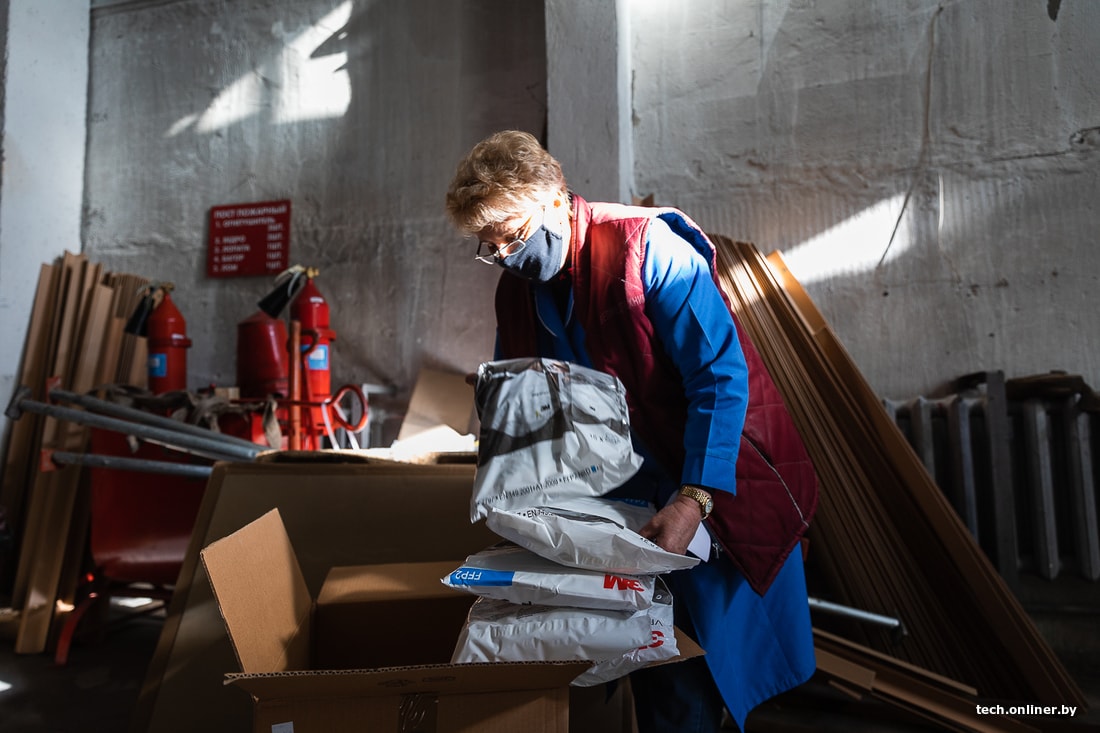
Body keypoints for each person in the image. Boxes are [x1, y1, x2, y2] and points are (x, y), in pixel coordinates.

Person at [445, 129, 818, 733]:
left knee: (708, 660)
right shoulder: (518, 294)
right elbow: (523, 391)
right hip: (623, 504)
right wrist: (504, 415)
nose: (507, 256)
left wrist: (694, 499)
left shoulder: (648, 250)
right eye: (490, 247)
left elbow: (720, 380)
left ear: (556, 198)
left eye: (512, 235)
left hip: (707, 476)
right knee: (652, 657)